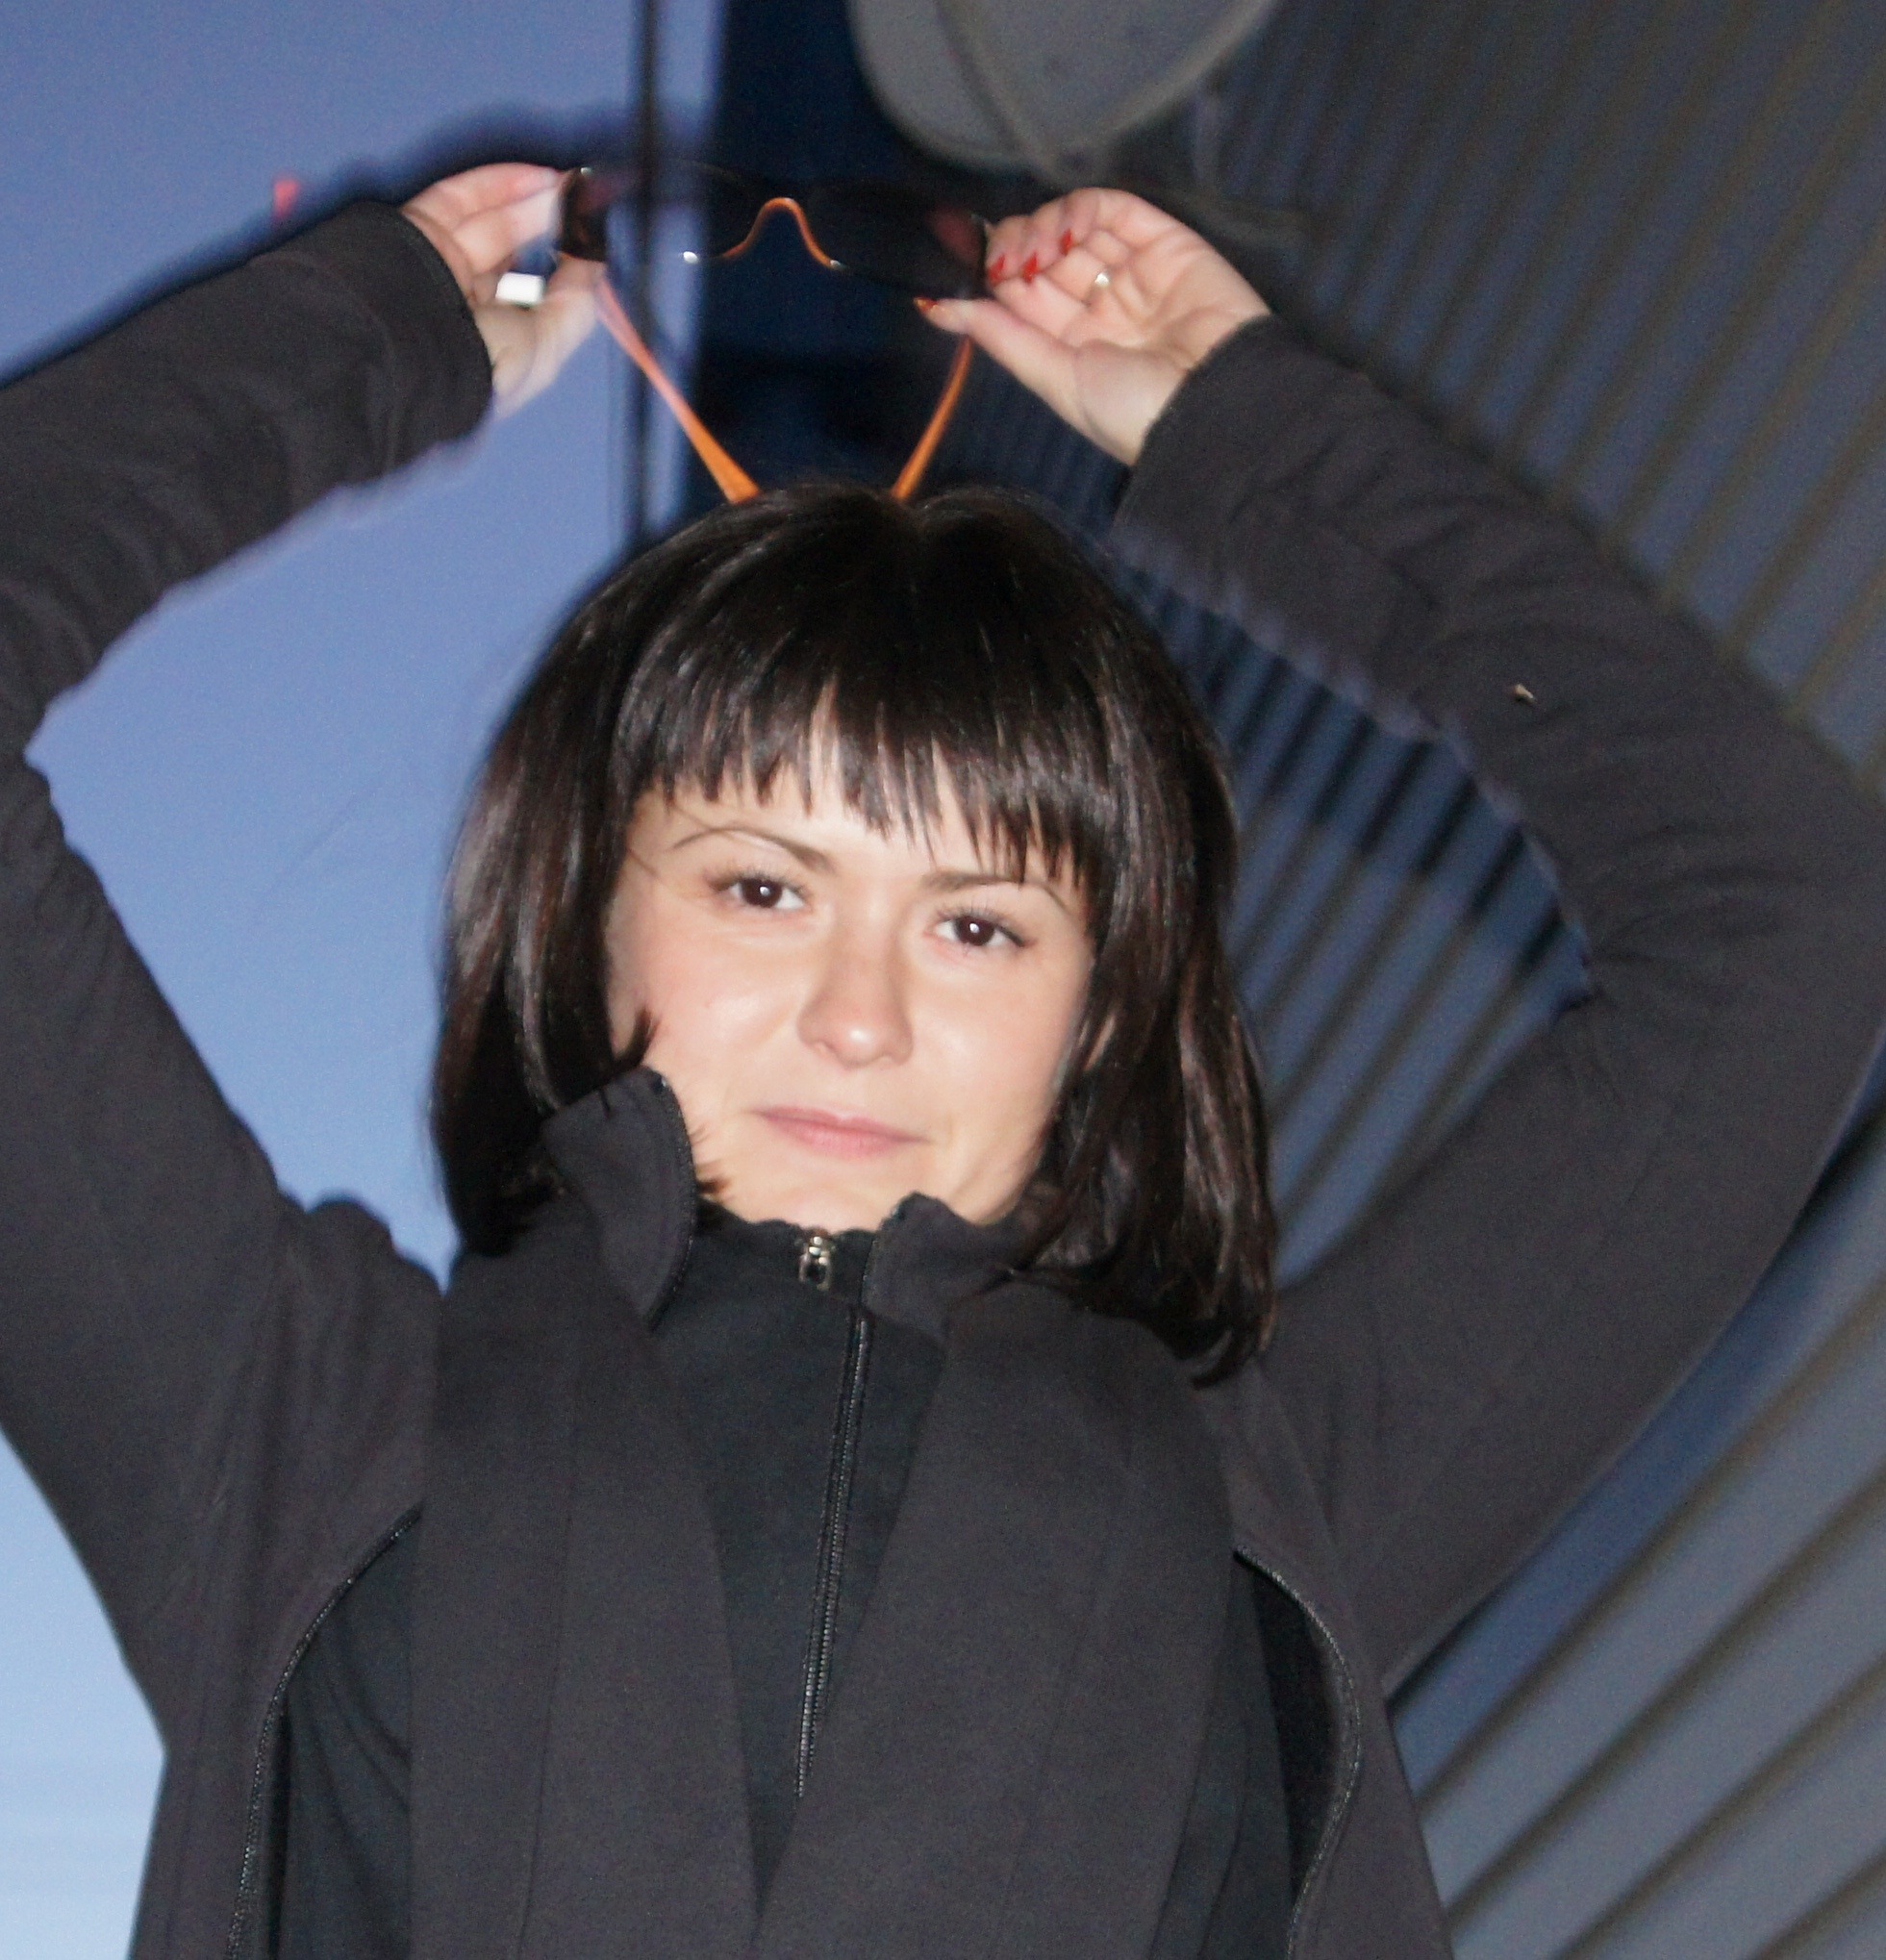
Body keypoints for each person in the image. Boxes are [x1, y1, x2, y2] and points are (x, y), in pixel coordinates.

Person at [2, 160, 1883, 1960]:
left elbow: (1781, 913)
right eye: (762, 885)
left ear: (1101, 1007)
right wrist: (360, 341)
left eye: (978, 923)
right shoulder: (289, 1424)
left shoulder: (1280, 1497)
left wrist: (1251, 432)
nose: (861, 1014)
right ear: (583, 914)